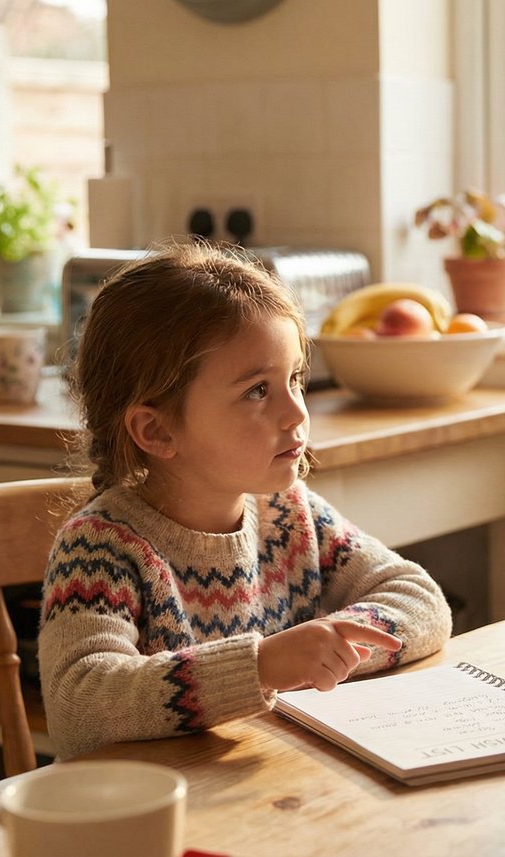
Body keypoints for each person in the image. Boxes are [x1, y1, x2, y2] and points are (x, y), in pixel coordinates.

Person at [39, 241, 454, 758]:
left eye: (295, 379)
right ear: (156, 430)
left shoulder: (290, 515)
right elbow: (82, 706)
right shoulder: (100, 548)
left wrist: (324, 653)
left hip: (257, 794)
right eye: (257, 390)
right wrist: (260, 667)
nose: (296, 413)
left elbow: (419, 599)